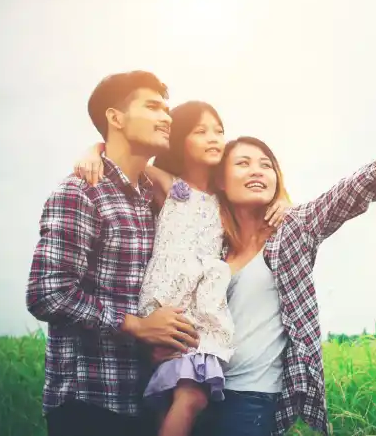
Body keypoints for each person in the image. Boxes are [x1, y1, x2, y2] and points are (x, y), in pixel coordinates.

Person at [185, 104, 376, 436]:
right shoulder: (211, 243)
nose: (257, 171)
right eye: (243, 164)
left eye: (266, 165)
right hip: (198, 391)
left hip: (252, 399)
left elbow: (360, 185)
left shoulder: (295, 229)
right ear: (221, 180)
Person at [71, 100, 290, 436]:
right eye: (200, 131)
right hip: (171, 301)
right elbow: (122, 159)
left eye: (218, 131)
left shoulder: (225, 198)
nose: (214, 137)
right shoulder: (171, 185)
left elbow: (259, 203)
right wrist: (94, 150)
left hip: (200, 307)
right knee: (192, 397)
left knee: (174, 397)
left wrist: (282, 201)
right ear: (178, 140)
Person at [26, 71, 202, 436]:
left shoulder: (151, 199)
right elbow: (47, 293)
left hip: (144, 398)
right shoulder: (81, 192)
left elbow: (209, 205)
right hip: (89, 402)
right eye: (152, 107)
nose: (166, 118)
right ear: (115, 118)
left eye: (166, 109)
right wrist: (136, 325)